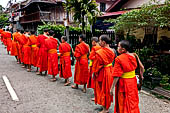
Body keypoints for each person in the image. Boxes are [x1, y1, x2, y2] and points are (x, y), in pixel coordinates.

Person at [110, 40, 144, 113]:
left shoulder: (119, 59)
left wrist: (112, 88)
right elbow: (142, 67)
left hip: (123, 83)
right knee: (132, 101)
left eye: (118, 46)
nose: (117, 48)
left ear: (123, 49)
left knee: (123, 101)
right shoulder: (134, 55)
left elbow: (117, 76)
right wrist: (141, 76)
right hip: (132, 82)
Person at [92, 35, 116, 113]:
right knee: (106, 88)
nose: (99, 42)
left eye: (100, 41)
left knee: (103, 89)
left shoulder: (100, 52)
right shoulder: (113, 50)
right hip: (109, 70)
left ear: (104, 42)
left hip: (103, 71)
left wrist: (94, 72)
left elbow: (97, 64)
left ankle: (105, 109)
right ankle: (105, 106)